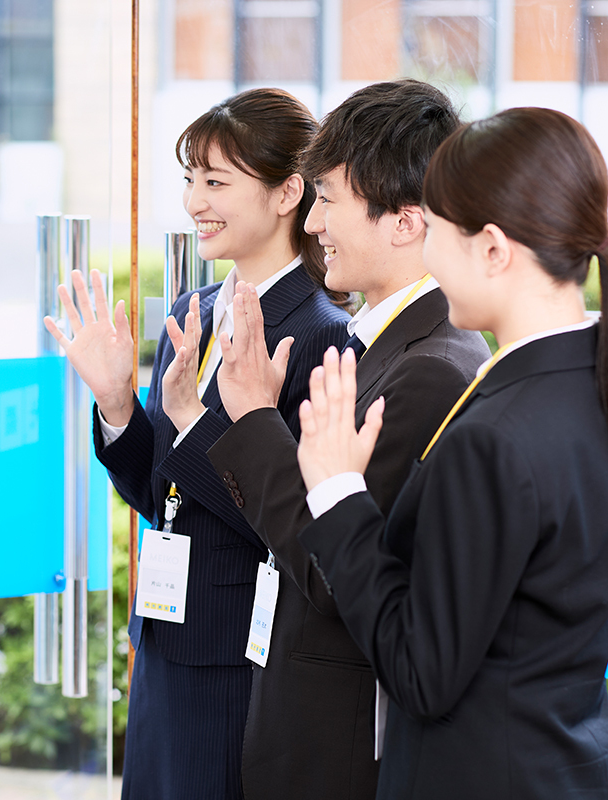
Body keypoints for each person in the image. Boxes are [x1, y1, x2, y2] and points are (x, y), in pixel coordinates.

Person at [44, 88, 351, 799]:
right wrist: (118, 403)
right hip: (164, 638)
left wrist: (193, 423)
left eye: (216, 181)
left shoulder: (319, 331)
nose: (194, 201)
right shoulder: (195, 308)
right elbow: (160, 494)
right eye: (190, 179)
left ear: (287, 194)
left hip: (240, 654)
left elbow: (293, 526)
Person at [294, 106, 608, 799]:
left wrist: (337, 494)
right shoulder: (577, 384)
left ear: (493, 249)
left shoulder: (496, 436)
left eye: (433, 230)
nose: (426, 256)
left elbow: (421, 673)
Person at [204, 80, 490, 799]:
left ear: (403, 221)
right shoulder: (391, 347)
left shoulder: (428, 369)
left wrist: (254, 415)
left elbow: (337, 569)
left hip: (340, 744)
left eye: (327, 198)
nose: (313, 222)